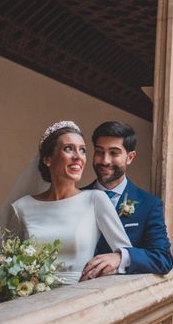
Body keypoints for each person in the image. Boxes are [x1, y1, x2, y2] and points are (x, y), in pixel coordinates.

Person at [7, 121, 132, 284]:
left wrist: (116, 257)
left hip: (78, 298)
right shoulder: (21, 207)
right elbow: (9, 265)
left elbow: (127, 255)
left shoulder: (95, 200)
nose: (78, 157)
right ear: (47, 159)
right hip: (30, 300)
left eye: (82, 150)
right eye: (68, 149)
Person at [80, 121, 173, 281]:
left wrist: (121, 257)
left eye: (114, 153)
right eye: (99, 152)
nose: (105, 160)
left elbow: (163, 259)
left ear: (130, 157)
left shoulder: (149, 204)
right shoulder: (77, 197)